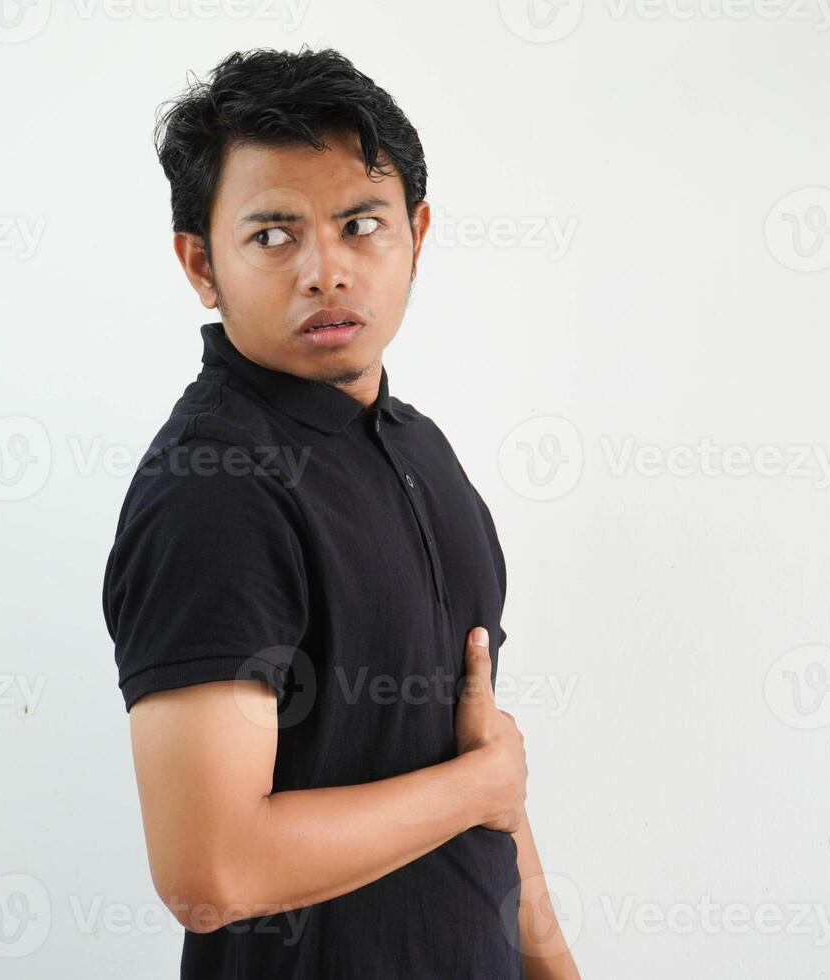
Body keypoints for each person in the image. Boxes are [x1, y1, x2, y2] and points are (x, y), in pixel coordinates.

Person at [102, 46, 580, 980]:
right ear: (202, 264)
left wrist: (553, 960)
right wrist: (479, 784)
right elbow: (212, 870)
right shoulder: (213, 490)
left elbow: (483, 769)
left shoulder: (419, 451)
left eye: (361, 224)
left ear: (416, 233)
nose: (326, 270)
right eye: (273, 236)